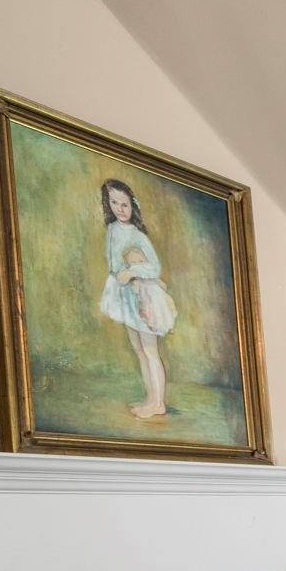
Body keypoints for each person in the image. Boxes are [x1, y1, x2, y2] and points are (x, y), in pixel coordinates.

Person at [97, 178, 176, 419]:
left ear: (133, 205)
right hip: (126, 297)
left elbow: (154, 268)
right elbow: (113, 264)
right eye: (114, 203)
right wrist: (119, 275)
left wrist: (131, 272)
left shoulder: (138, 235)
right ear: (107, 203)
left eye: (124, 204)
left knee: (151, 350)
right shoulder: (111, 230)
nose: (120, 209)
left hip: (144, 297)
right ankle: (150, 398)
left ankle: (159, 403)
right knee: (139, 350)